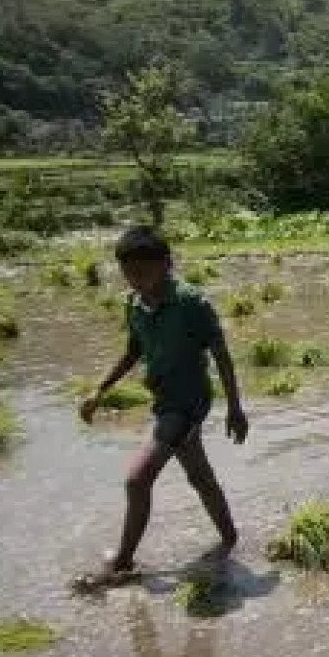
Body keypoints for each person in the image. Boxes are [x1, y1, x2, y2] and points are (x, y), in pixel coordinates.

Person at [76, 225, 248, 589]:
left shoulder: (191, 303)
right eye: (128, 273)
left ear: (166, 264)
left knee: (137, 480)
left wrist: (235, 408)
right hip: (164, 401)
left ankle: (122, 563)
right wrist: (100, 390)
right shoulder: (134, 305)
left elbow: (221, 355)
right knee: (199, 476)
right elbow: (133, 350)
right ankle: (230, 538)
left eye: (143, 272)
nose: (136, 281)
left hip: (188, 404)